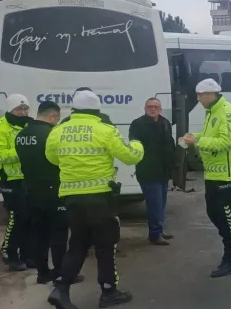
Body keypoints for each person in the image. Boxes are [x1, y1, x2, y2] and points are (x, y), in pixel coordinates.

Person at [45, 89, 144, 308]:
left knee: (78, 244)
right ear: (97, 109)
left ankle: (61, 289)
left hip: (71, 200)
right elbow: (131, 156)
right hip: (100, 198)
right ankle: (108, 291)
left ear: (74, 109)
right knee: (105, 245)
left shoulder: (58, 131)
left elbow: (52, 158)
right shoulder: (105, 129)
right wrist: (137, 144)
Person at [179, 78, 231, 278]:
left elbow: (225, 142)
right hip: (213, 173)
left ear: (210, 94)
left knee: (226, 216)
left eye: (200, 95)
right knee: (214, 213)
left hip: (226, 175)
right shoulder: (212, 112)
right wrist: (195, 137)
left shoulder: (226, 112)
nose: (198, 99)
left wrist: (198, 140)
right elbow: (212, 137)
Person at [15, 101, 84, 284]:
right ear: (52, 116)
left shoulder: (21, 134)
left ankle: (42, 273)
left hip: (30, 190)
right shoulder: (52, 134)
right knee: (59, 233)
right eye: (57, 119)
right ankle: (60, 272)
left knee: (39, 234)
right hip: (53, 190)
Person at [129, 98, 175, 246]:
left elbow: (170, 145)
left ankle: (159, 230)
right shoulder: (138, 124)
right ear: (145, 108)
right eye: (150, 107)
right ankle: (155, 235)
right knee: (154, 203)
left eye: (156, 107)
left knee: (161, 203)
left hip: (163, 170)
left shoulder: (165, 122)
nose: (153, 109)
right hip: (148, 170)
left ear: (160, 109)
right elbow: (134, 145)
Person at [0, 94, 33, 271]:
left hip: (28, 178)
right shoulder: (1, 128)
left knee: (29, 218)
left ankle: (26, 255)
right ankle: (9, 253)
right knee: (16, 217)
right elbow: (0, 155)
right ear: (11, 110)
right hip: (9, 180)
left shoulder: (29, 124)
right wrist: (22, 150)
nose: (23, 112)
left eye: (25, 108)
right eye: (19, 109)